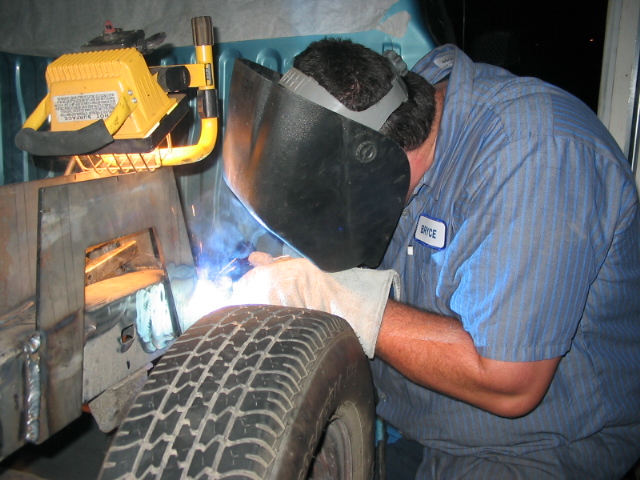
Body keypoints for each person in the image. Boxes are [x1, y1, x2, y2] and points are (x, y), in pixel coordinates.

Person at [226, 38, 640, 479]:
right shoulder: (398, 118)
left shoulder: (534, 155)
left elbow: (510, 383)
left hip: (536, 447)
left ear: (366, 160)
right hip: (415, 424)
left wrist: (339, 298)